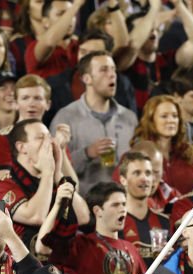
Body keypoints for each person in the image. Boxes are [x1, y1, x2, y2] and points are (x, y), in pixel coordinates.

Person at [50, 51, 138, 194]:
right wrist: (87, 153)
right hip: (84, 204)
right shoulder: (66, 117)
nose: (112, 75)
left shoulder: (129, 118)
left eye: (113, 69)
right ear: (86, 78)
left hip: (123, 203)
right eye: (104, 70)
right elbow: (54, 167)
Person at [132, 96, 193, 195]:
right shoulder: (138, 154)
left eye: (175, 116)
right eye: (164, 116)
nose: (171, 120)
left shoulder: (188, 153)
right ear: (151, 120)